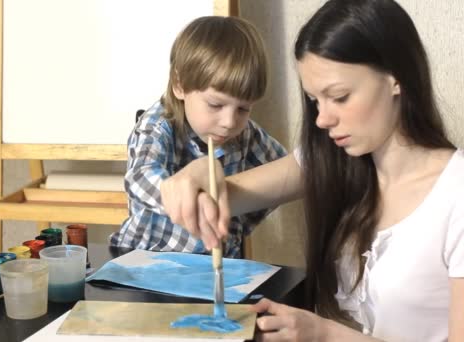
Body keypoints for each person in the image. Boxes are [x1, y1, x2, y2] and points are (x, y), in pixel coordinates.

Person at [160, 0, 464, 341]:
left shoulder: (456, 195)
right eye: (315, 101)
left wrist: (323, 334)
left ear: (396, 79)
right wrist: (201, 173)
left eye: (339, 96)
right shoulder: (335, 159)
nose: (322, 119)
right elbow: (229, 193)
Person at [109, 16, 286, 258]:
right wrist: (185, 197)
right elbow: (139, 177)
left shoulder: (245, 133)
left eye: (244, 109)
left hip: (215, 267)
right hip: (144, 262)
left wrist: (237, 225)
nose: (229, 122)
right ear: (179, 85)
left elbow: (283, 171)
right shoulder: (159, 125)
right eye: (215, 104)